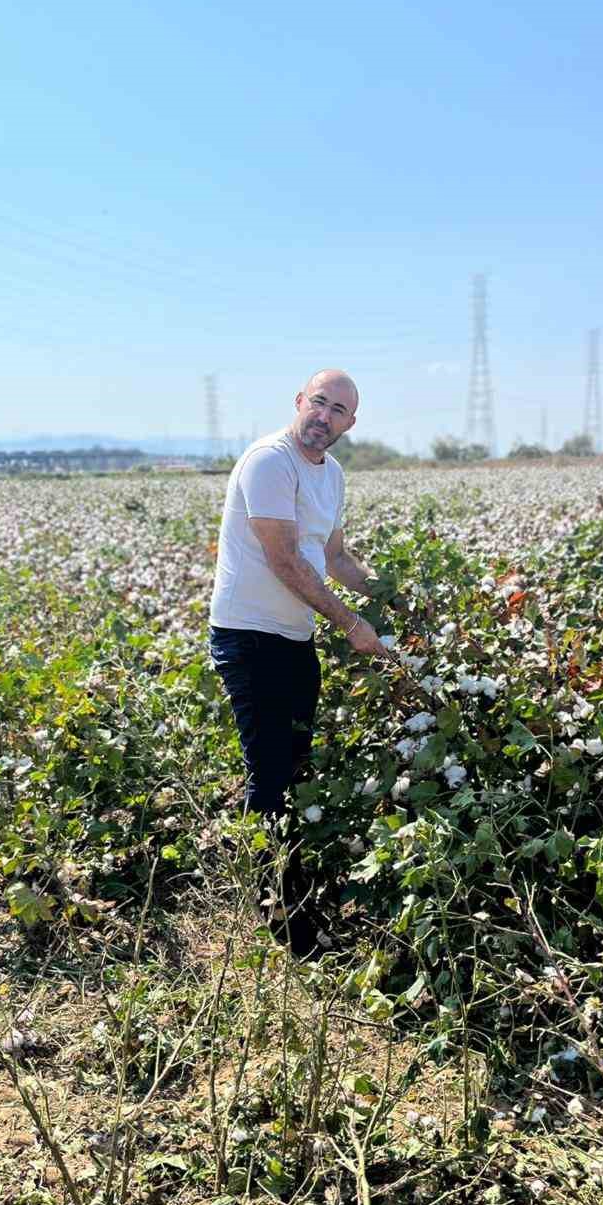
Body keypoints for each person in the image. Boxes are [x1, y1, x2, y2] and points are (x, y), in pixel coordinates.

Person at [209, 368, 390, 944]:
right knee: (268, 772)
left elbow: (334, 557)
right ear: (298, 402)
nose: (324, 416)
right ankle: (279, 917)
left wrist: (391, 595)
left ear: (350, 424)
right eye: (319, 403)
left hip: (294, 638)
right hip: (248, 636)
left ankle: (292, 885)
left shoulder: (331, 474)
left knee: (295, 765)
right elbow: (285, 561)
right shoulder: (269, 461)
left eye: (338, 411)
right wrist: (353, 624)